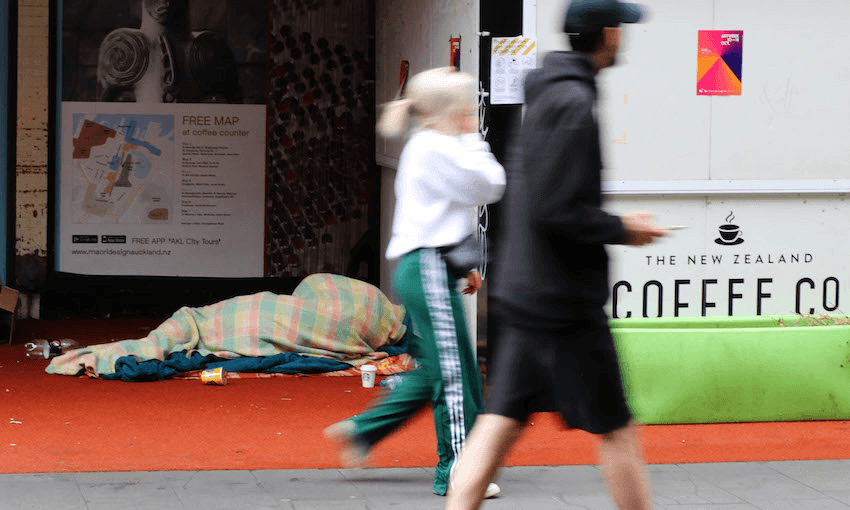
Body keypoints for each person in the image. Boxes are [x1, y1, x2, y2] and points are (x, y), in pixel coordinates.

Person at [445, 1, 668, 509]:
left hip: (524, 289)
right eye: (620, 28)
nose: (623, 37)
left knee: (499, 421)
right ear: (607, 33)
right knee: (616, 427)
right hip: (563, 301)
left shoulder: (545, 92)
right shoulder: (573, 104)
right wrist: (624, 227)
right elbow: (558, 207)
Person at [325, 67, 506, 499]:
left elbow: (450, 208)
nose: (472, 115)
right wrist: (474, 139)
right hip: (427, 266)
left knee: (444, 366)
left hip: (427, 264)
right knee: (456, 373)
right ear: (453, 112)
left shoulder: (432, 144)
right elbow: (489, 185)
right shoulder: (439, 147)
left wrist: (464, 265)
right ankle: (459, 469)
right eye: (467, 109)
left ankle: (363, 432)